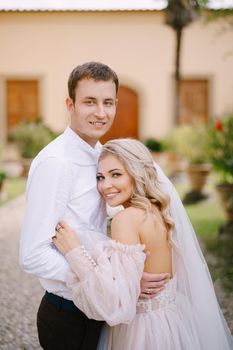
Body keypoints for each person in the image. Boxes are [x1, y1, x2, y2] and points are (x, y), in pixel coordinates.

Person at [19, 62, 168, 350]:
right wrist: (108, 283)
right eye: (90, 102)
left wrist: (124, 277)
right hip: (68, 313)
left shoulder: (102, 154)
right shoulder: (56, 163)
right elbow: (32, 254)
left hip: (100, 310)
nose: (101, 113)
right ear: (70, 104)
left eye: (108, 102)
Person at [53, 138, 233, 350]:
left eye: (116, 174)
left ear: (137, 173)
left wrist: (75, 252)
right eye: (100, 177)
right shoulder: (158, 210)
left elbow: (116, 303)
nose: (105, 185)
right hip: (172, 319)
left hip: (143, 331)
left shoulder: (126, 219)